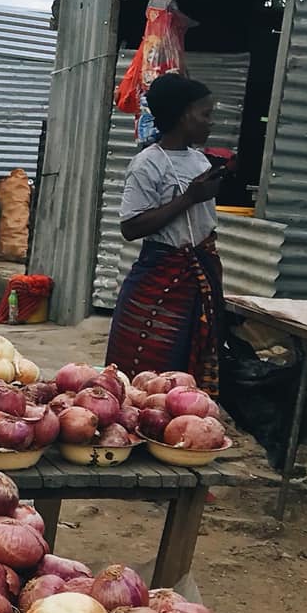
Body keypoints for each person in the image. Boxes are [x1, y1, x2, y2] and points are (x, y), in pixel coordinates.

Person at [107, 71, 228, 392]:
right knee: (147, 372)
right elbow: (130, 227)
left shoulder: (200, 161)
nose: (211, 122)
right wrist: (188, 197)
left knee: (187, 371)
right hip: (160, 277)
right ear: (185, 115)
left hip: (197, 275)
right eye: (206, 114)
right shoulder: (147, 164)